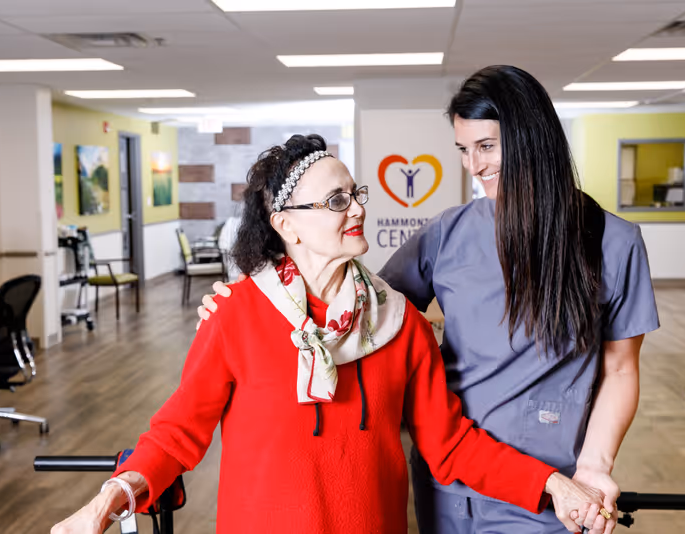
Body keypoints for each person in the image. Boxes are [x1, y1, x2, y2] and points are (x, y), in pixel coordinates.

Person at [51, 134, 609, 534]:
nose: (359, 208)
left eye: (356, 193)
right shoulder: (236, 314)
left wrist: (552, 484)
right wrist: (115, 495)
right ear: (285, 224)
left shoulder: (401, 325)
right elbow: (177, 434)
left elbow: (451, 446)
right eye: (337, 201)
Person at [198, 66, 660, 534]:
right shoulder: (448, 234)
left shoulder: (611, 243)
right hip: (449, 480)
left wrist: (594, 466)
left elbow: (621, 368)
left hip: (548, 486)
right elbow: (358, 312)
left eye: (486, 147)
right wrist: (254, 303)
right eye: (463, 150)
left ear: (530, 138)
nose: (473, 166)